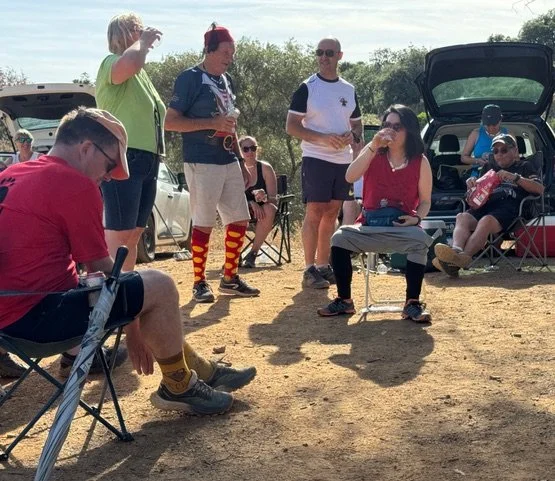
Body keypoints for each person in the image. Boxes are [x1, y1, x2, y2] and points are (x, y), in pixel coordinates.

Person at [0, 107, 256, 415]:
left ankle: (200, 370)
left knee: (141, 287)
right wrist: (133, 328)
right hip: (37, 321)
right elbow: (102, 271)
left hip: (8, 322)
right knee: (160, 286)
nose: (108, 177)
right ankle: (178, 386)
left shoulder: (13, 174)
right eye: (110, 165)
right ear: (86, 148)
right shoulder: (73, 183)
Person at [164, 23, 259, 303]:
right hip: (201, 160)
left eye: (233, 52)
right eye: (226, 51)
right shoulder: (190, 78)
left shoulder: (226, 80)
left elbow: (230, 123)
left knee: (239, 219)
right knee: (204, 222)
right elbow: (171, 122)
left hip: (228, 157)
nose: (231, 57)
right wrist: (211, 123)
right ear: (209, 50)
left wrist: (241, 160)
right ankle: (199, 282)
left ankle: (230, 278)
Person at [317, 105, 433, 323]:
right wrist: (373, 145)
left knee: (420, 239)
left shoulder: (420, 161)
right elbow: (350, 177)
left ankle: (412, 303)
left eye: (397, 127)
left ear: (409, 130)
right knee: (339, 238)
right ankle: (344, 300)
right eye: (387, 125)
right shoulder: (372, 153)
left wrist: (416, 218)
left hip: (401, 228)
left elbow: (426, 201)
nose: (391, 131)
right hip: (369, 226)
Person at [286, 37, 363, 289]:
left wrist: (352, 136)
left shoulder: (348, 89)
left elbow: (357, 124)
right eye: (319, 52)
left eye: (329, 53)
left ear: (340, 56)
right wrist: (323, 138)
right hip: (315, 158)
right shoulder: (307, 87)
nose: (323, 57)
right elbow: (291, 126)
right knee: (314, 211)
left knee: (331, 212)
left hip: (342, 160)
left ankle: (322, 265)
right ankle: (308, 268)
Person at [95, 12, 166, 273]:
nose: (143, 32)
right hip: (124, 155)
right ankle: (110, 289)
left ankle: (126, 283)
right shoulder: (111, 63)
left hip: (148, 158)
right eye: (138, 29)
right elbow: (130, 63)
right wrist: (144, 42)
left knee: (135, 232)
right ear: (123, 33)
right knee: (120, 232)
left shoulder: (141, 74)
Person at [433, 133, 544, 277]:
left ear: (515, 150)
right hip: (486, 205)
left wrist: (516, 178)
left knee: (486, 221)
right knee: (462, 217)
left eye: (504, 150)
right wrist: (472, 184)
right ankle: (456, 252)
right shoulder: (489, 167)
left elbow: (539, 189)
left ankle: (462, 259)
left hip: (511, 210)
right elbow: (478, 191)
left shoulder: (524, 166)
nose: (499, 154)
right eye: (495, 151)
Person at [239, 135, 278, 268]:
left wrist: (264, 197)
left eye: (253, 148)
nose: (250, 152)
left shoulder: (265, 168)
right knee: (231, 210)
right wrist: (251, 203)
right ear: (240, 151)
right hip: (242, 210)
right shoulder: (235, 170)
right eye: (246, 149)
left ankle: (253, 253)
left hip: (264, 213)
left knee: (269, 208)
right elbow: (232, 197)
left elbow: (274, 199)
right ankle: (234, 254)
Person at [461, 104, 508, 177]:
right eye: (488, 125)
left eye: (494, 125)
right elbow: (464, 157)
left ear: (500, 120)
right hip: (479, 175)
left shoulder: (508, 134)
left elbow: (516, 158)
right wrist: (478, 161)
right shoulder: (475, 134)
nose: (491, 128)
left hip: (503, 175)